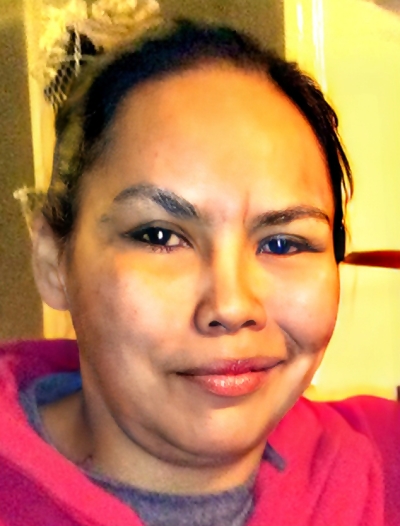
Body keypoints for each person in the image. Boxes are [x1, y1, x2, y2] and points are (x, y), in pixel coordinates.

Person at [0, 11, 399, 526]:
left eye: (283, 243)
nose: (231, 307)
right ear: (54, 262)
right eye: (160, 237)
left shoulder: (379, 460)